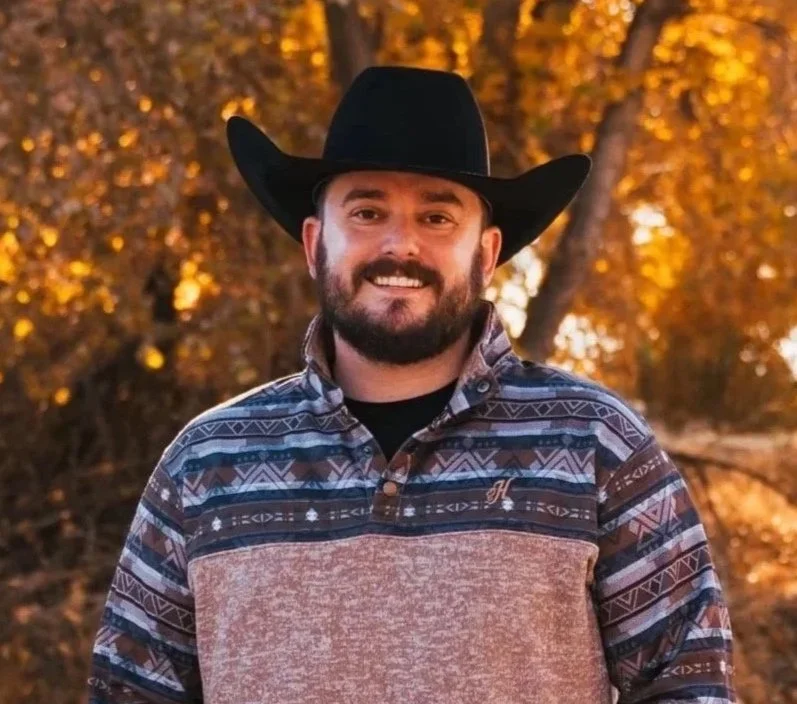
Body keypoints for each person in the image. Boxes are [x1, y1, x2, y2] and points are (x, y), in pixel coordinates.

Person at [87, 66, 736, 703]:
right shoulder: (207, 463)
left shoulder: (596, 443)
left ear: (485, 252)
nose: (400, 246)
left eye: (437, 217)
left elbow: (688, 683)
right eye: (367, 211)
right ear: (315, 243)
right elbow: (125, 692)